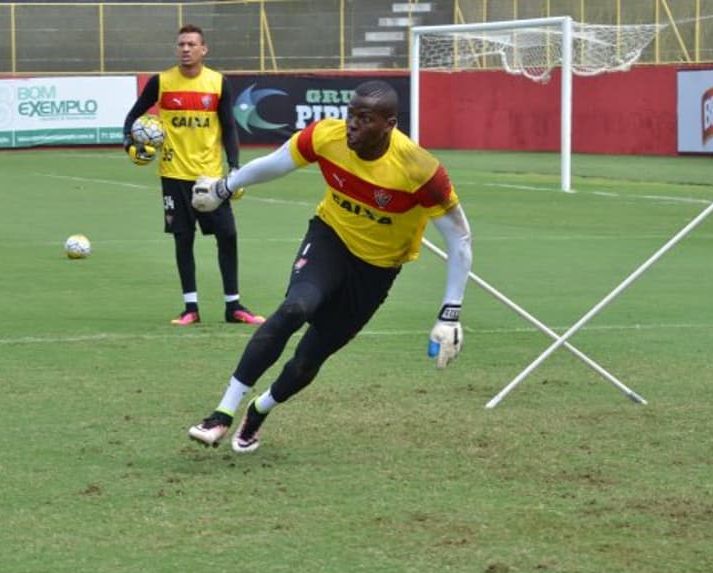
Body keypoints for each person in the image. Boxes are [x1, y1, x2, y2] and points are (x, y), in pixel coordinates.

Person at [187, 80, 473, 453]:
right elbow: (274, 164)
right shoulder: (326, 136)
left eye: (364, 118)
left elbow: (460, 240)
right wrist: (225, 187)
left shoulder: (420, 170)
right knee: (295, 308)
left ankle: (259, 410)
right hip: (330, 240)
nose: (352, 124)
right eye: (350, 114)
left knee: (308, 360)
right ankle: (221, 413)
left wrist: (449, 314)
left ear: (390, 123)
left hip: (377, 271)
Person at [122, 23, 264, 326]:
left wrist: (235, 166)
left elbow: (229, 127)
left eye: (191, 44)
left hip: (210, 179)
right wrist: (130, 145)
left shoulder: (218, 83)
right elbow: (133, 117)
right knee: (182, 239)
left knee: (228, 236)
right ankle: (191, 308)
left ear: (203, 49)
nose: (185, 49)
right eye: (181, 44)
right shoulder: (161, 82)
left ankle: (234, 306)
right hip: (173, 176)